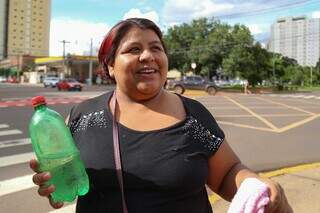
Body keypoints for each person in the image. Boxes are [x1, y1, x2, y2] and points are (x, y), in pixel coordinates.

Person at [29, 18, 292, 213]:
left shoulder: (193, 116)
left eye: (156, 48)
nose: (148, 56)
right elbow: (64, 170)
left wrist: (258, 185)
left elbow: (227, 173)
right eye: (133, 49)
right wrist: (53, 183)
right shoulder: (82, 116)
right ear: (109, 65)